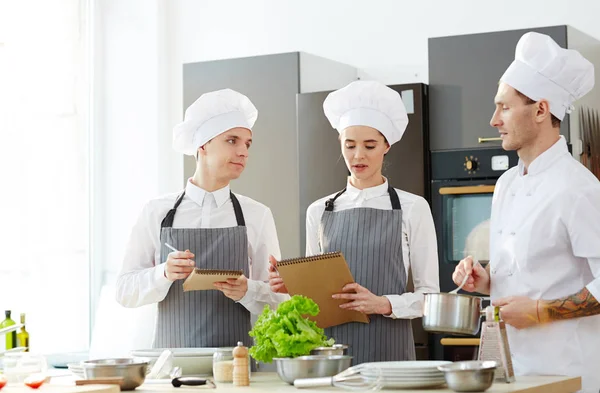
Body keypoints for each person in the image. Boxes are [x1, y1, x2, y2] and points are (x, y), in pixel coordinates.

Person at [452, 32, 600, 392]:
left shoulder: (579, 190)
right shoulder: (506, 184)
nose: (493, 120)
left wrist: (539, 311)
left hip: (566, 372)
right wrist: (485, 280)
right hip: (509, 369)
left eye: (504, 107)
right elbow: (524, 270)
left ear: (540, 110)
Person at [269, 80, 439, 364]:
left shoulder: (413, 208)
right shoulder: (318, 211)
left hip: (390, 350)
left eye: (369, 146)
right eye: (350, 145)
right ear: (340, 144)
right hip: (331, 351)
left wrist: (383, 303)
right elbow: (316, 295)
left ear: (386, 146)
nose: (358, 155)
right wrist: (293, 284)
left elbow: (430, 296)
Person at [116, 88, 287, 348]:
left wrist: (247, 291)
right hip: (171, 368)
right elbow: (124, 291)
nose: (244, 151)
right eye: (232, 140)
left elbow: (279, 300)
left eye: (247, 143)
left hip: (236, 367)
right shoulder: (156, 212)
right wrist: (164, 272)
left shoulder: (257, 215)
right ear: (203, 146)